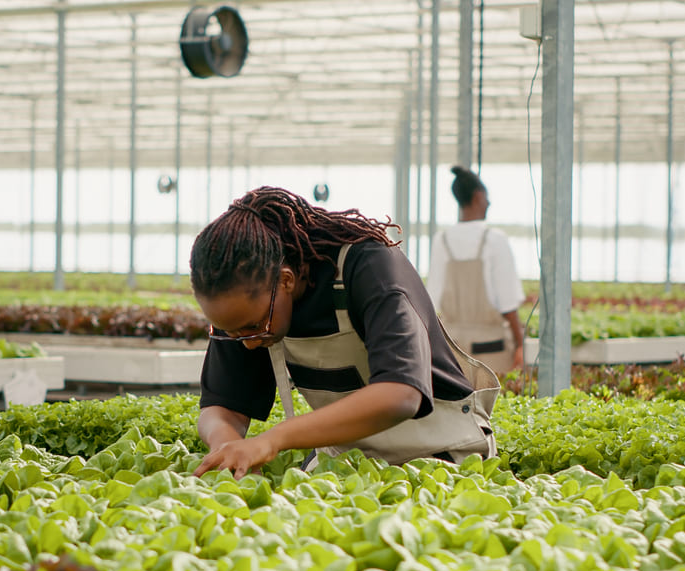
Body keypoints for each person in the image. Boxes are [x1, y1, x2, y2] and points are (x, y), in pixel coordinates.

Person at [189, 186, 499, 480]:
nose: (250, 342)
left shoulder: (367, 266)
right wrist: (226, 444)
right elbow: (221, 405)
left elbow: (400, 394)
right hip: (347, 460)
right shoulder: (248, 306)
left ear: (285, 280)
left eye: (255, 327)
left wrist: (273, 439)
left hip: (441, 453)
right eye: (233, 333)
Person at [426, 166, 526, 375]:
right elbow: (508, 303)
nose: (489, 202)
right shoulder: (495, 239)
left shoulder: (441, 241)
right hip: (492, 347)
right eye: (487, 197)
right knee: (494, 403)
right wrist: (520, 344)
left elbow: (431, 301)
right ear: (479, 196)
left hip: (453, 348)